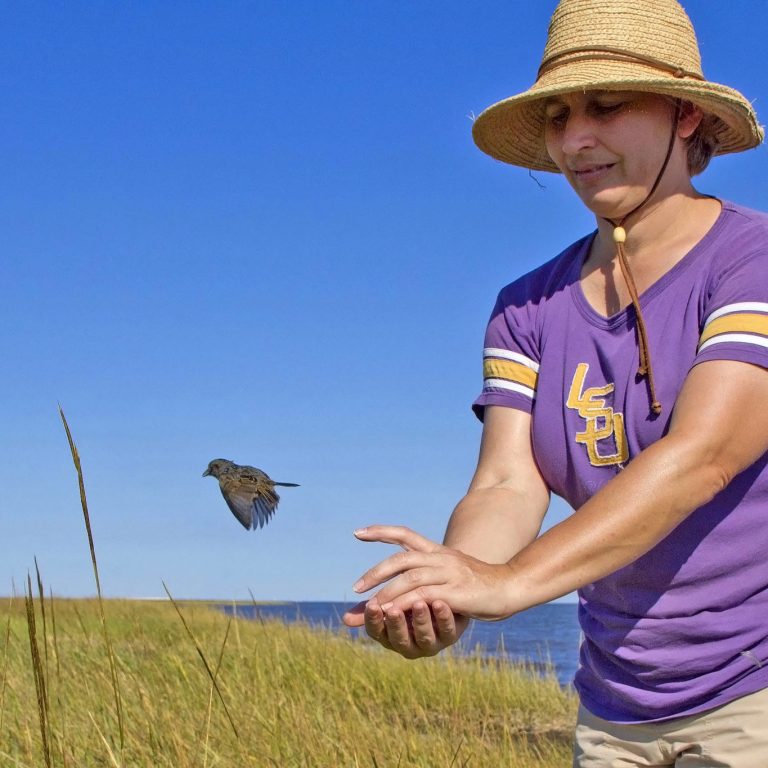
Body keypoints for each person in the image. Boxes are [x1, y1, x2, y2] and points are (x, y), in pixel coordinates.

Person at [342, 0, 768, 765]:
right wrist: (450, 587)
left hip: (755, 696)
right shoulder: (525, 307)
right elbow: (508, 482)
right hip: (613, 708)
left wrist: (512, 586)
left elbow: (705, 456)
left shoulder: (752, 261)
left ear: (684, 116)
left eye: (606, 107)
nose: (576, 140)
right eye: (559, 116)